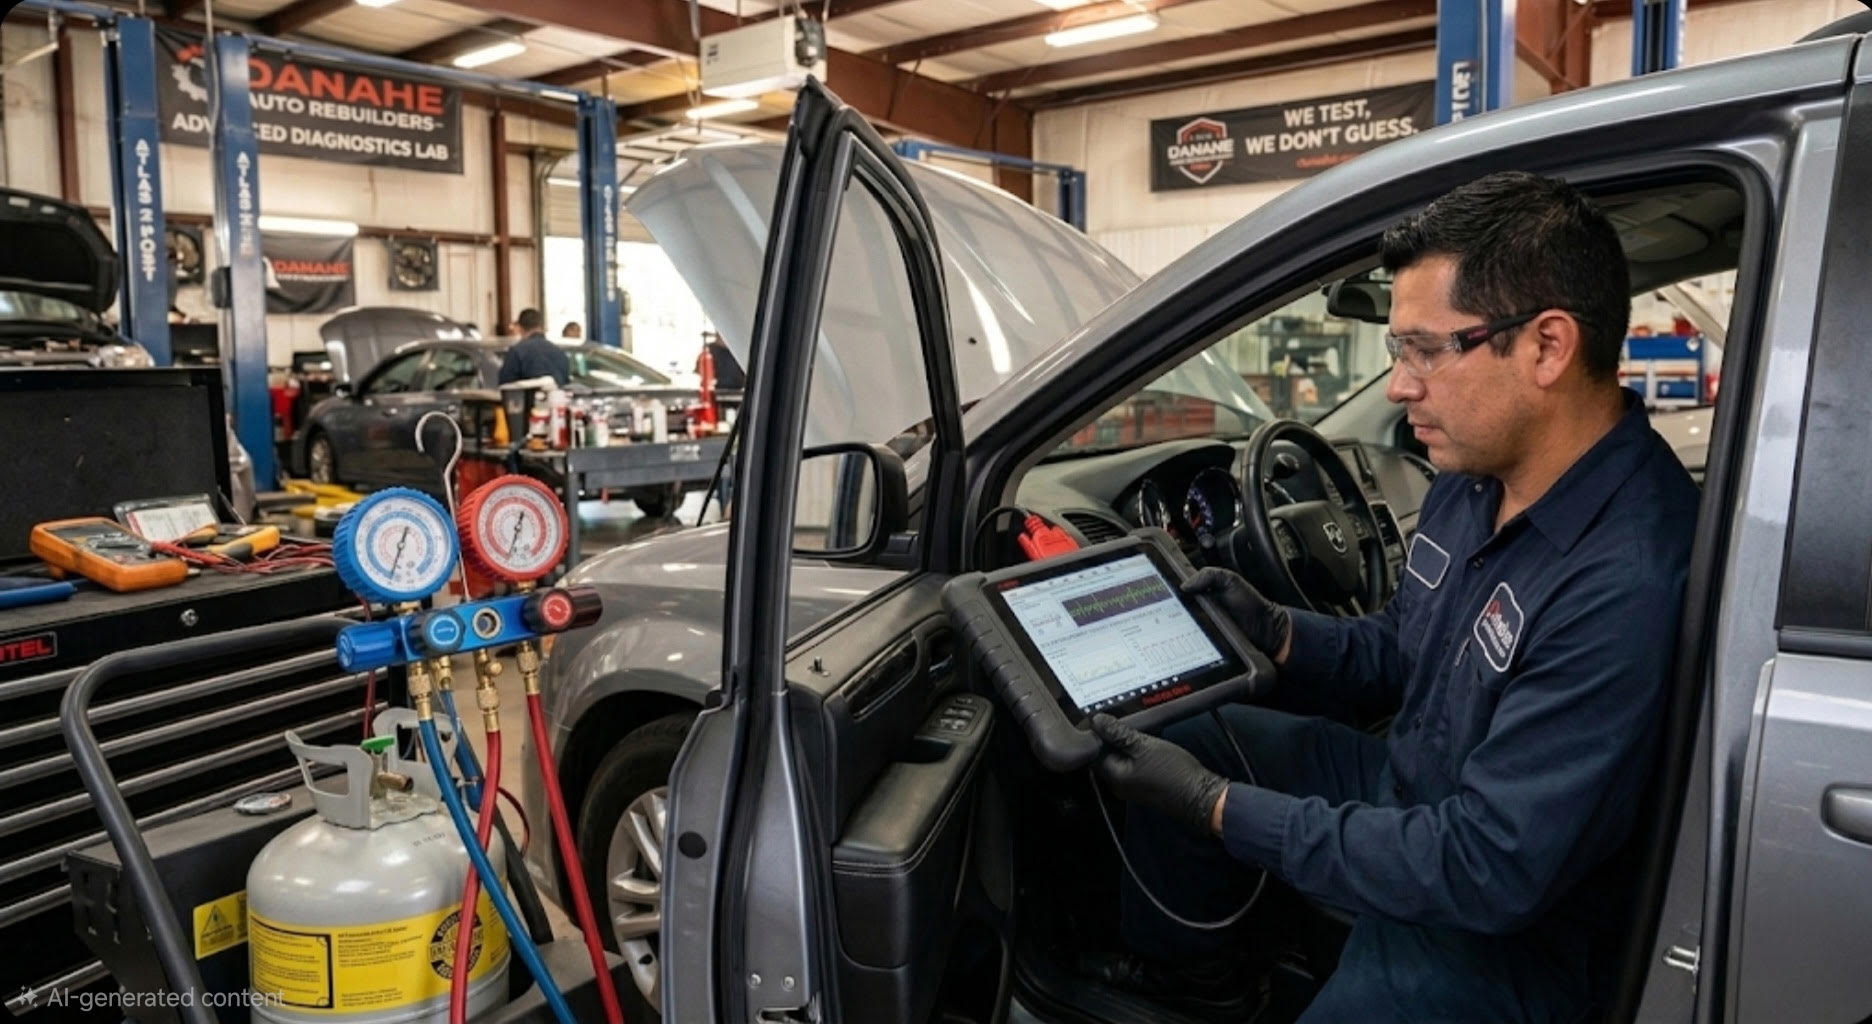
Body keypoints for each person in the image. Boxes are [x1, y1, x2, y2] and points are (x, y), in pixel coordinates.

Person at [1087, 172, 1699, 1023]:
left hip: (1511, 925)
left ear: (1548, 347)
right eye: (1395, 352)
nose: (1399, 387)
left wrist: (1219, 809)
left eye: (1424, 351)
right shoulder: (1473, 476)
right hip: (1413, 788)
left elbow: (1487, 867)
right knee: (1189, 731)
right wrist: (1277, 630)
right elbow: (1407, 650)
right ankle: (1195, 978)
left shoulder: (1627, 573)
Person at [498, 308, 569, 386]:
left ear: (520, 328)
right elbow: (565, 383)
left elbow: (506, 385)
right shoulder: (559, 352)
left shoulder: (517, 352)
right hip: (557, 393)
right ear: (541, 327)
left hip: (527, 394)